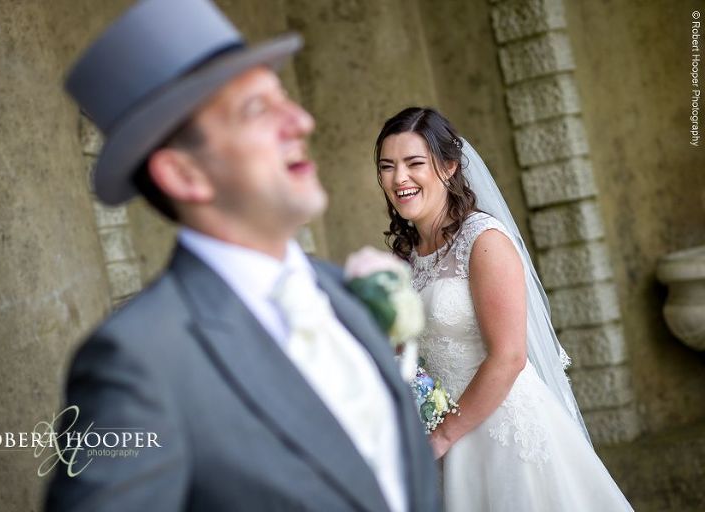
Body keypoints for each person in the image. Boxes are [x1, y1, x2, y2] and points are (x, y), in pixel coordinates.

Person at [45, 2, 439, 511]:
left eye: (284, 99)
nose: (301, 121)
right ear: (184, 174)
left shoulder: (343, 293)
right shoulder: (139, 363)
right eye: (256, 109)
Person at [375, 106, 633, 511]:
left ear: (448, 167)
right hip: (443, 438)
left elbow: (509, 356)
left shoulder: (484, 241)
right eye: (387, 167)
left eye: (414, 163)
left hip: (502, 432)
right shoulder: (406, 258)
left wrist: (443, 436)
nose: (399, 178)